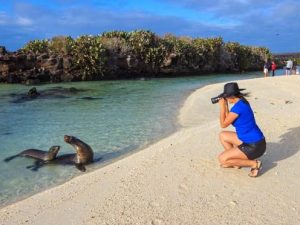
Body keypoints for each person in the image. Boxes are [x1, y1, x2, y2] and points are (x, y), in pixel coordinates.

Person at [217, 82, 266, 177]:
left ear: (231, 96)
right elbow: (228, 120)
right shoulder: (241, 102)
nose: (225, 99)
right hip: (252, 141)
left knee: (222, 159)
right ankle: (236, 162)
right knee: (223, 135)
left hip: (254, 146)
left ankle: (255, 164)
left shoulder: (238, 108)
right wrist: (226, 106)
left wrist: (222, 107)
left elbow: (223, 124)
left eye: (226, 97)